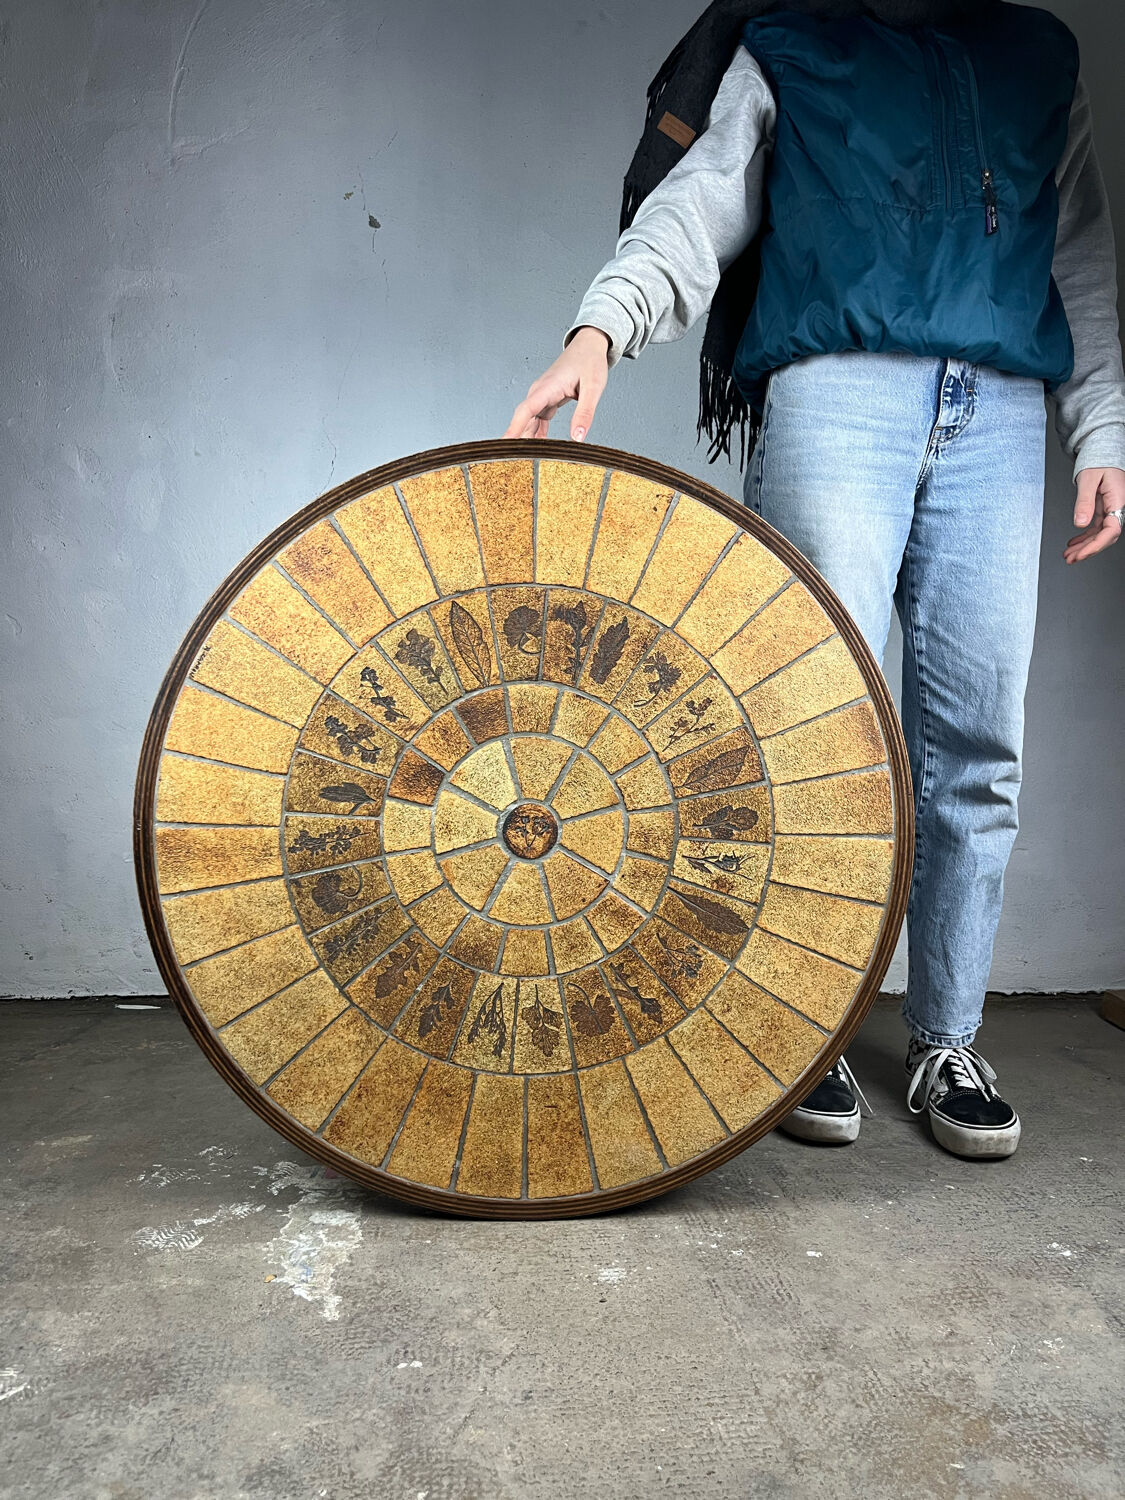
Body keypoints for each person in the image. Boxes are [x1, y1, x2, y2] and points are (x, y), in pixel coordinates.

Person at [503, 0, 1125, 1159]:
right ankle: (798, 1030)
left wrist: (1103, 427)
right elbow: (701, 203)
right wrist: (600, 332)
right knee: (800, 738)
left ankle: (946, 1039)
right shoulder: (794, 39)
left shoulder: (1037, 52)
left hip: (992, 410)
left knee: (980, 746)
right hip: (839, 394)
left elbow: (1073, 242)